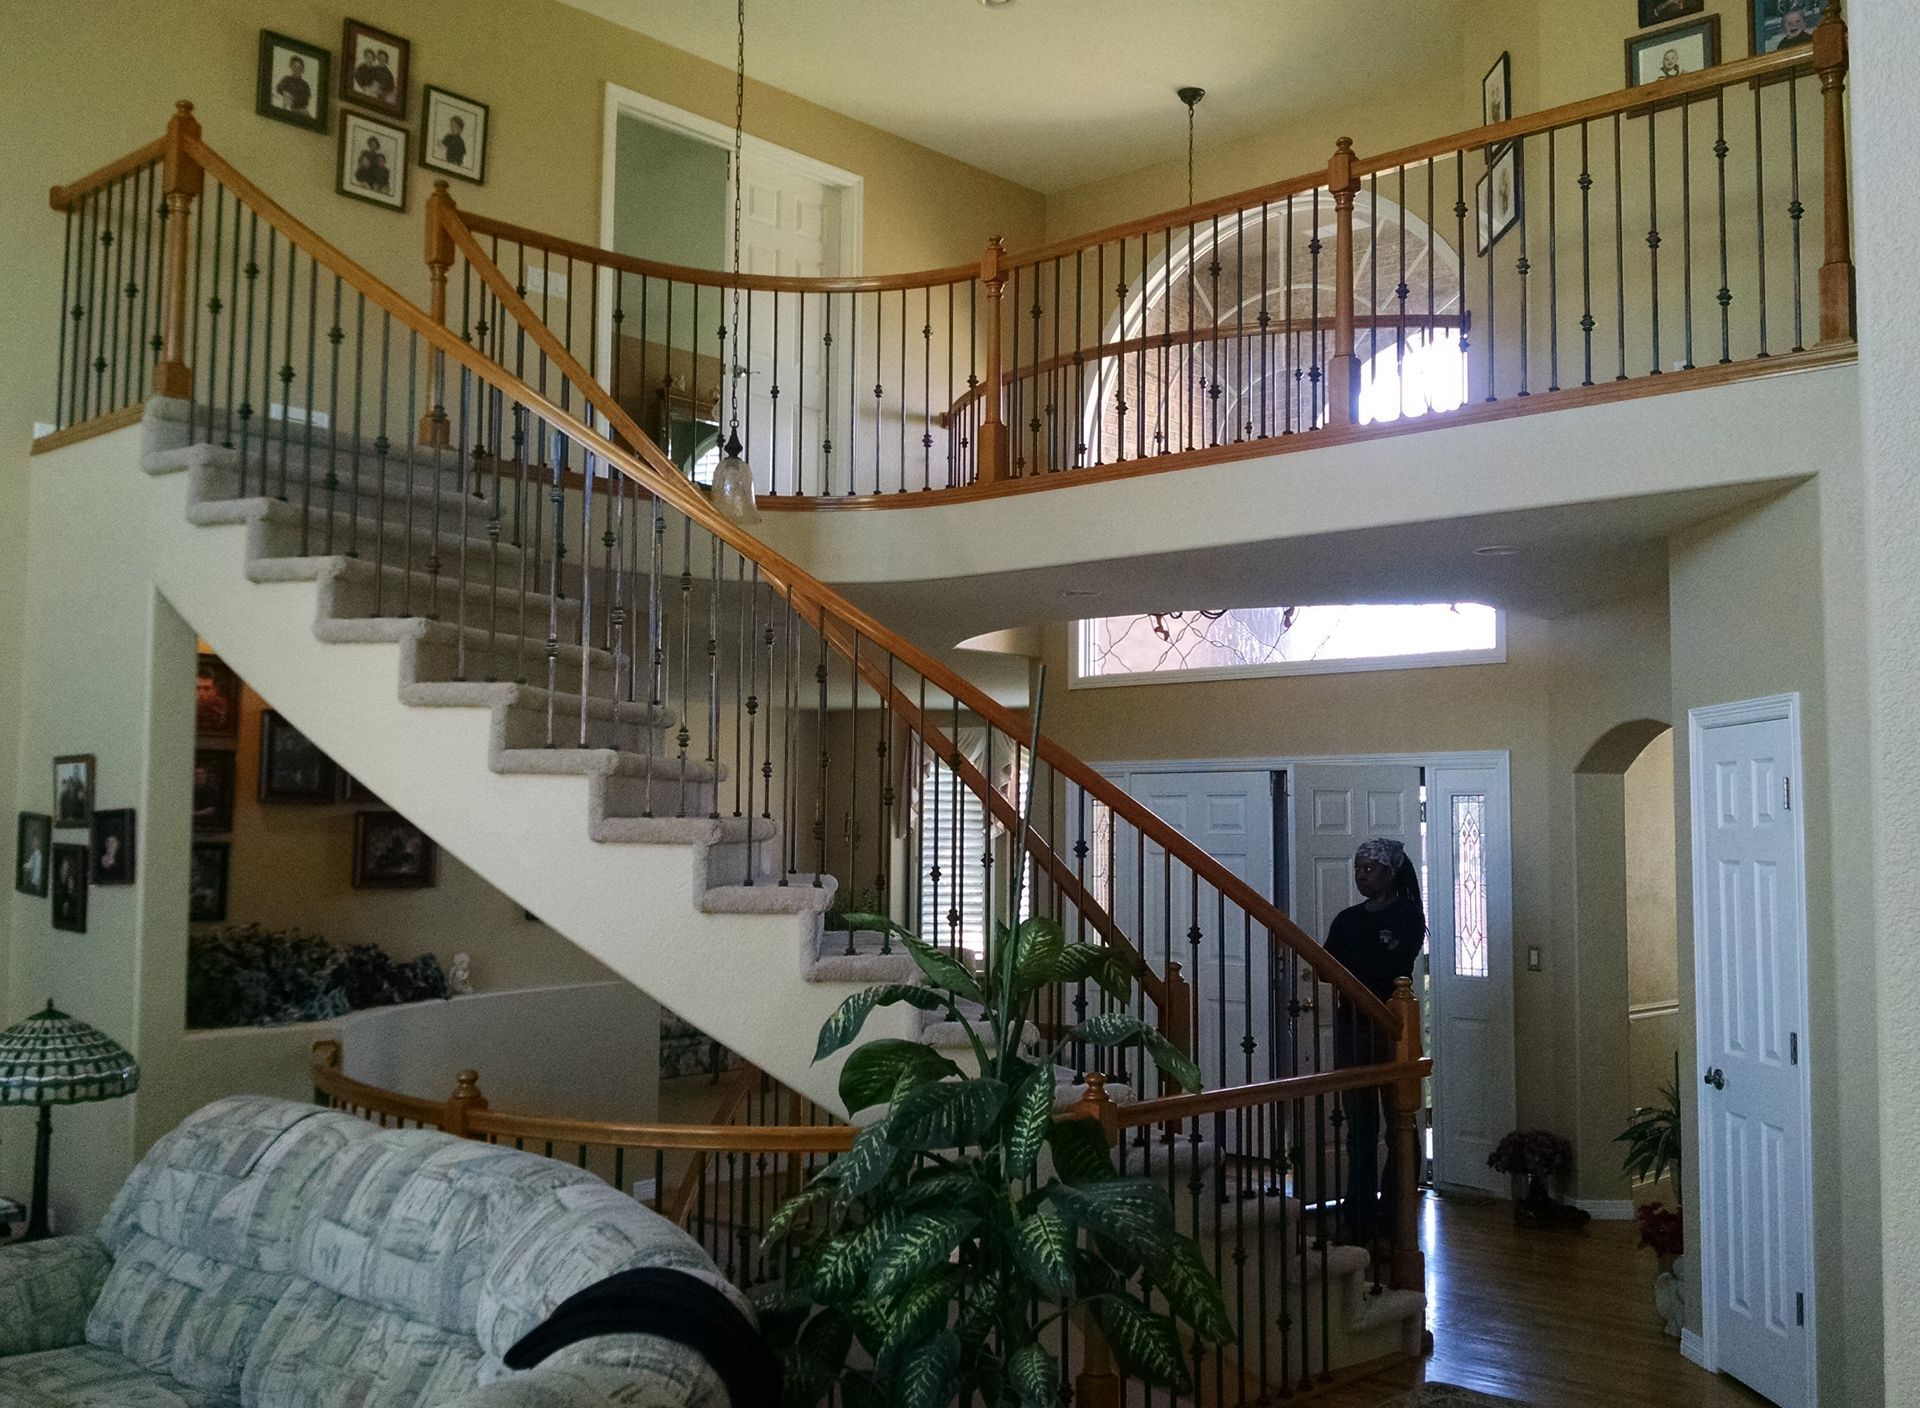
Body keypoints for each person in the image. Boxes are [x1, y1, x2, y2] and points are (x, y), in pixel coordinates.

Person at [1324, 836, 1426, 1246]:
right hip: (1352, 1028)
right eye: (1357, 869)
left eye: (1369, 869)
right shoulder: (1347, 919)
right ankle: (1358, 1214)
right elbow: (1329, 965)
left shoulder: (1407, 916)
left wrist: (1361, 971)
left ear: (1390, 873)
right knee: (1359, 1127)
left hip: (1392, 1029)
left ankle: (1397, 1209)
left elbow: (1392, 965)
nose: (1361, 876)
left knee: (1398, 1122)